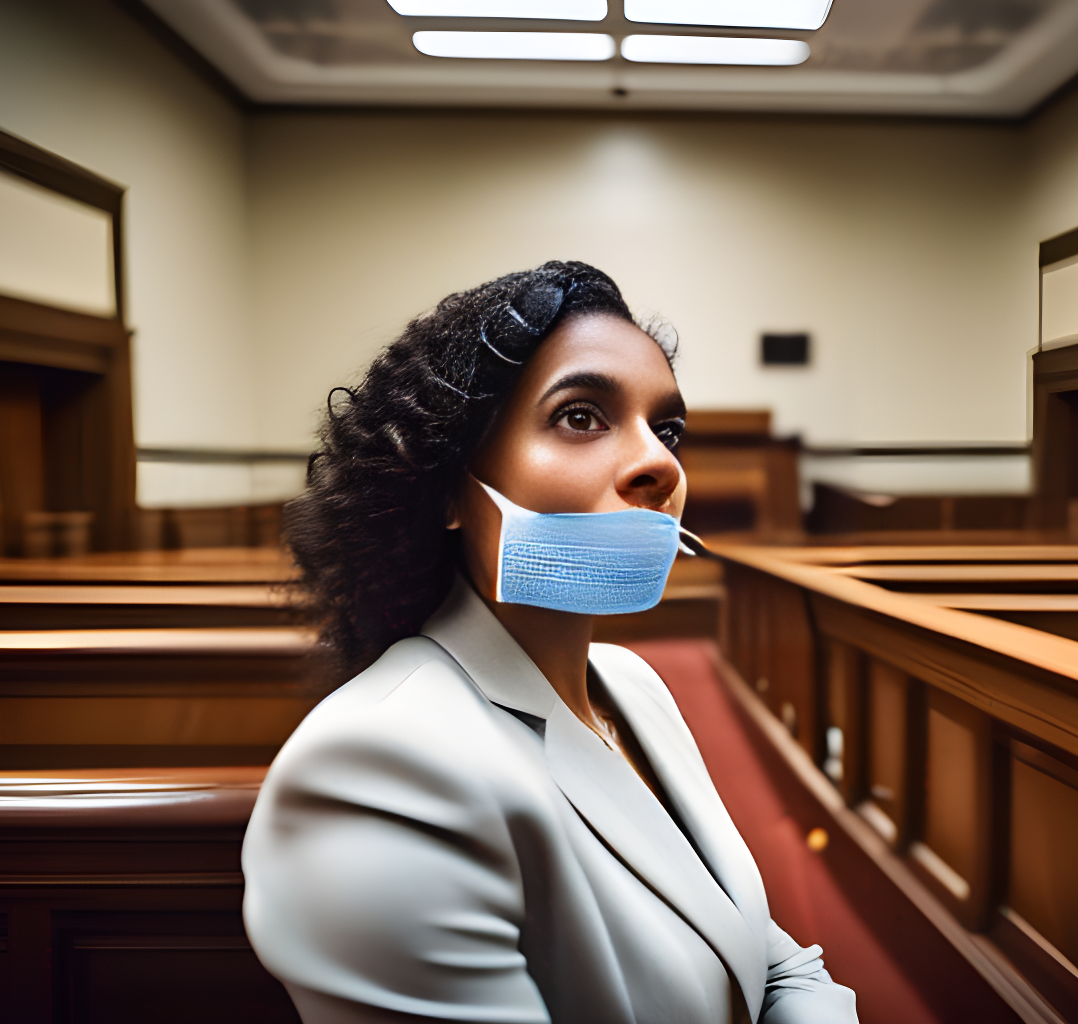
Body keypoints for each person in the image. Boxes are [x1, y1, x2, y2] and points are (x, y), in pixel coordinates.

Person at [242, 261, 858, 1024]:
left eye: (666, 429)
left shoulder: (635, 687)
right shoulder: (372, 768)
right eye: (581, 416)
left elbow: (773, 963)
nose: (661, 464)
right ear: (445, 488)